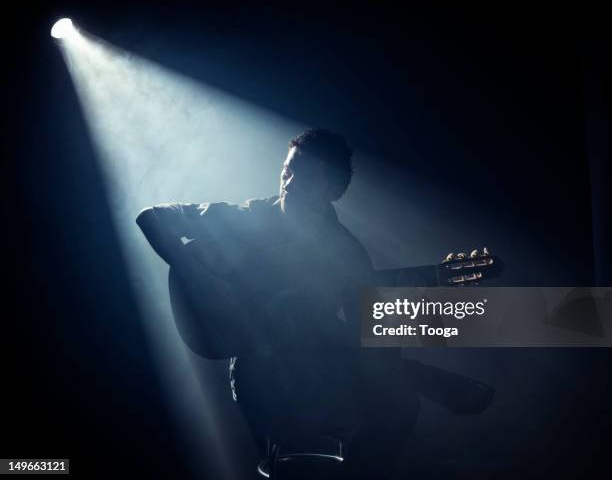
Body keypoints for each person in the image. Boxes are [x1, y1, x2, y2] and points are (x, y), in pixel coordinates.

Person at [136, 129, 493, 479]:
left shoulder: (346, 252)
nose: (289, 184)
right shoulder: (247, 217)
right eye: (287, 171)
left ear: (333, 191)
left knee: (392, 392)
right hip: (259, 376)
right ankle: (428, 380)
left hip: (318, 373)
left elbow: (369, 336)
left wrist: (403, 299)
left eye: (305, 179)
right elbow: (150, 216)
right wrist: (197, 275)